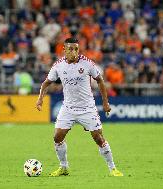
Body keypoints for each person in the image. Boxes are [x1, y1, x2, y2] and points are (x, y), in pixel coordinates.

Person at [36, 38, 123, 177]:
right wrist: (40, 98)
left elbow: (100, 81)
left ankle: (113, 168)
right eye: (70, 49)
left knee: (98, 138)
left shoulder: (87, 63)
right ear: (64, 50)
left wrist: (105, 102)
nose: (74, 52)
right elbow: (46, 83)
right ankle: (64, 167)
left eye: (76, 48)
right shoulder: (58, 65)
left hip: (87, 108)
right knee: (57, 137)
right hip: (68, 108)